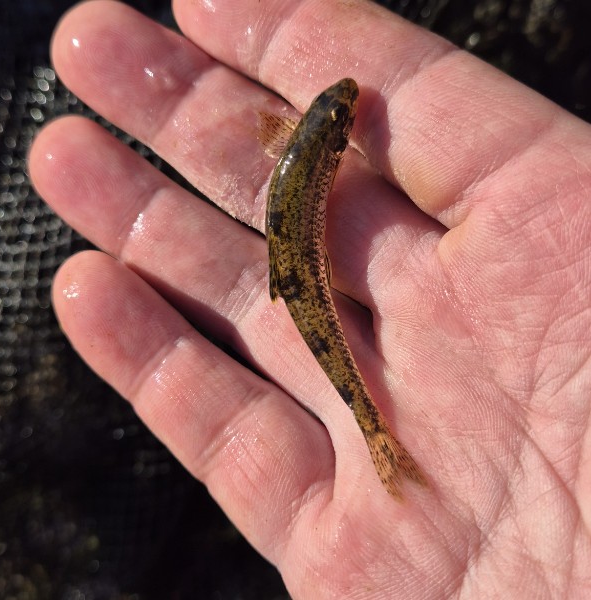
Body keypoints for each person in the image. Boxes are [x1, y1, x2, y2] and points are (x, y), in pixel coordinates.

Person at [29, 0, 591, 597]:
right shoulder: (323, 150)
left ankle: (376, 433)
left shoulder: (304, 146)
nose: (348, 106)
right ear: (337, 140)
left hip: (298, 256)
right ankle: (378, 436)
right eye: (342, 113)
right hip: (298, 260)